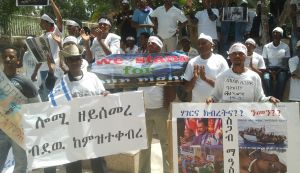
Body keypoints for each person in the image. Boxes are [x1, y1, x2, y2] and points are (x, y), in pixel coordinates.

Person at [45, 44, 109, 173]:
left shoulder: (93, 78)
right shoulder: (61, 83)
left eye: (77, 58)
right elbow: (55, 107)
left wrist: (105, 95)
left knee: (98, 163)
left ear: (81, 60)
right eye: (71, 59)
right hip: (71, 132)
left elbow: (103, 97)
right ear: (66, 62)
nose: (75, 62)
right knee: (73, 166)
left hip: (93, 130)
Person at [138, 36, 175, 173]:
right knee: (143, 145)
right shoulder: (140, 62)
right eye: (148, 43)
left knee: (165, 144)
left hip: (161, 109)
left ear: (159, 48)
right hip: (144, 110)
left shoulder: (165, 64)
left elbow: (171, 85)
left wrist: (167, 105)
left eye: (153, 44)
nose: (149, 45)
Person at [0, 46, 40, 173]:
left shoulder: (25, 81)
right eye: (5, 56)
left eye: (11, 57)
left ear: (18, 60)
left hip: (19, 131)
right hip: (1, 129)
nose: (8, 59)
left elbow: (37, 105)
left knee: (21, 164)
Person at [206, 42, 279, 103]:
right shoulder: (222, 77)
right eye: (234, 53)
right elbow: (215, 96)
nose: (237, 56)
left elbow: (260, 98)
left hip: (247, 118)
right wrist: (211, 99)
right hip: (228, 117)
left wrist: (269, 99)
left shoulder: (254, 77)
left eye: (240, 53)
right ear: (230, 56)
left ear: (245, 56)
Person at [183, 33, 229, 102]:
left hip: (216, 107)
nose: (200, 46)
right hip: (197, 107)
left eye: (204, 43)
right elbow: (187, 89)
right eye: (198, 44)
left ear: (212, 46)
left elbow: (225, 87)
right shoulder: (192, 62)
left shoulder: (220, 60)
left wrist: (205, 79)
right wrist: (195, 78)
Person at [262, 27, 290, 100]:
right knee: (266, 78)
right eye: (274, 32)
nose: (275, 34)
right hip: (269, 69)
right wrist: (270, 71)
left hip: (281, 69)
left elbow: (285, 63)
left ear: (281, 36)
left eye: (277, 33)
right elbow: (264, 62)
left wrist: (277, 71)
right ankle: (270, 98)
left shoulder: (285, 47)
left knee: (282, 78)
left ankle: (278, 98)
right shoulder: (266, 46)